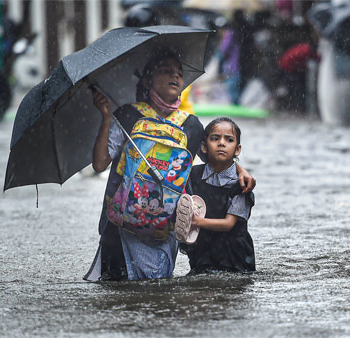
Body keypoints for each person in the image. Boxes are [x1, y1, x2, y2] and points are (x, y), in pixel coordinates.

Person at [84, 50, 256, 281]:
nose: (175, 76)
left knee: (157, 291)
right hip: (120, 228)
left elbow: (217, 159)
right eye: (166, 70)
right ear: (147, 80)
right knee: (120, 293)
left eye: (179, 73)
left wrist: (241, 170)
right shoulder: (127, 116)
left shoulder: (191, 125)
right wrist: (106, 118)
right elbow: (99, 163)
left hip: (165, 229)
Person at [179, 117, 256, 274]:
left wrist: (196, 221)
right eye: (215, 138)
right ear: (204, 147)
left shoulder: (240, 185)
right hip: (203, 253)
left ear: (237, 150)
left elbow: (229, 224)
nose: (222, 143)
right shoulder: (193, 175)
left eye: (229, 140)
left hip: (234, 257)